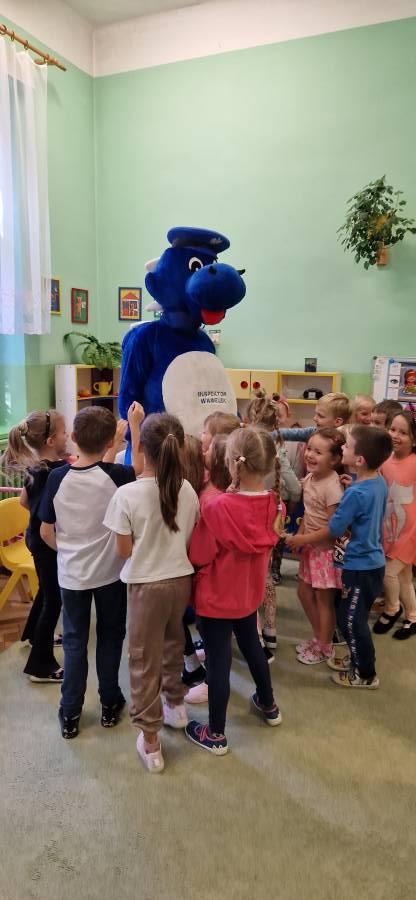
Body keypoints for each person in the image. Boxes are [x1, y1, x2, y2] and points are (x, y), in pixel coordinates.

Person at [39, 403, 143, 739]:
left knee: (74, 642)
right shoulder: (117, 476)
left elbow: (45, 531)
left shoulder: (56, 478)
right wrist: (133, 428)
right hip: (110, 575)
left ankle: (70, 711)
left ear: (72, 436)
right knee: (111, 637)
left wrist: (67, 551)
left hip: (71, 576)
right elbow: (139, 466)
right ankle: (110, 703)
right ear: (111, 442)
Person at [104, 413, 199, 774]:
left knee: (143, 659)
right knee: (174, 643)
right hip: (180, 581)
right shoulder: (187, 489)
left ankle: (151, 741)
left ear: (141, 446)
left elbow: (123, 551)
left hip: (146, 585)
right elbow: (187, 538)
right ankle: (176, 706)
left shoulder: (126, 494)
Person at [185, 426, 282, 756]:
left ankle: (215, 733)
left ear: (230, 462)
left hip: (216, 598)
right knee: (252, 646)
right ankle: (268, 704)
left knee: (218, 662)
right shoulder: (273, 503)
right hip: (248, 595)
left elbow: (199, 554)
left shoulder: (217, 507)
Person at [287, 426, 392, 688]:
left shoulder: (354, 493)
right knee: (349, 617)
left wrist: (300, 539)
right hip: (370, 562)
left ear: (359, 460)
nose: (343, 446)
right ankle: (357, 659)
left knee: (352, 621)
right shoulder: (376, 481)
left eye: (347, 446)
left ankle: (365, 674)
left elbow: (334, 529)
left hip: (359, 564)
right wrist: (352, 485)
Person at [2, 410, 68, 682]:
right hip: (46, 542)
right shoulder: (56, 471)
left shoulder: (37, 467)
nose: (67, 436)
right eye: (64, 432)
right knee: (54, 599)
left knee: (46, 590)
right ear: (51, 440)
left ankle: (32, 633)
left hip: (34, 538)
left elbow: (24, 502)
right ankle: (40, 666)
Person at [283, 428, 344, 665]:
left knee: (323, 601)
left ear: (335, 459)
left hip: (325, 554)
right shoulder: (309, 478)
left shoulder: (332, 487)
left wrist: (303, 539)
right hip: (311, 549)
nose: (309, 454)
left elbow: (333, 529)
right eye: (309, 448)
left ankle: (325, 646)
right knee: (303, 593)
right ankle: (320, 637)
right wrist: (300, 535)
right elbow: (309, 514)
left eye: (318, 452)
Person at [185, 433, 233, 705]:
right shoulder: (210, 488)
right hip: (210, 578)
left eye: (208, 449)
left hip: (211, 579)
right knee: (208, 631)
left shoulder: (211, 499)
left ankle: (210, 684)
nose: (204, 451)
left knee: (215, 638)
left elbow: (203, 549)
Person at [373, 411, 416, 639]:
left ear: (414, 440)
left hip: (410, 533)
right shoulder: (385, 459)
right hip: (389, 530)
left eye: (403, 433)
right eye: (392, 430)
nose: (395, 435)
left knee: (388, 573)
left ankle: (392, 608)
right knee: (404, 577)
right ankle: (412, 616)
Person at [278, 392, 352, 444]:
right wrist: (273, 434)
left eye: (320, 416)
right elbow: (290, 433)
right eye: (316, 414)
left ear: (338, 422)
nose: (314, 418)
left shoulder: (346, 441)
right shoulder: (314, 431)